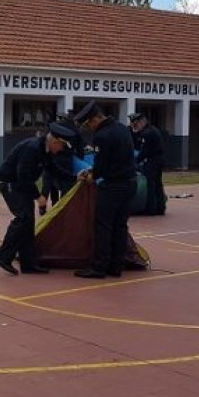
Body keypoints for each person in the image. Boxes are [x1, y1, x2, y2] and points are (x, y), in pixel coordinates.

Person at [0, 122, 75, 275]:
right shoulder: (32, 148)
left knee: (29, 222)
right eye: (62, 147)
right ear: (55, 141)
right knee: (23, 217)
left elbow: (54, 170)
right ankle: (3, 256)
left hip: (22, 184)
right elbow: (22, 175)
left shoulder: (46, 151)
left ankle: (28, 264)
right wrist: (38, 197)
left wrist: (76, 179)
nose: (61, 151)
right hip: (10, 182)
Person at [73, 100, 138, 279]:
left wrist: (89, 176)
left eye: (88, 124)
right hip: (130, 183)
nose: (89, 129)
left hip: (113, 186)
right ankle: (116, 266)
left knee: (103, 226)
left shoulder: (102, 135)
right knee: (120, 226)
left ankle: (99, 267)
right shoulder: (122, 128)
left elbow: (101, 167)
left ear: (95, 119)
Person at [130, 112, 166, 215]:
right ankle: (160, 208)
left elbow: (144, 151)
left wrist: (135, 162)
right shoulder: (153, 129)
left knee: (150, 185)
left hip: (152, 161)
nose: (135, 127)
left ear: (142, 122)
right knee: (158, 184)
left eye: (136, 125)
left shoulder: (147, 133)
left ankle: (150, 209)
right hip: (159, 160)